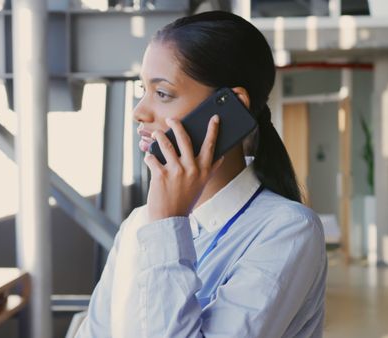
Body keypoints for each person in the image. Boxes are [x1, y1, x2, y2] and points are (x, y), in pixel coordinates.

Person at [76, 10, 327, 338]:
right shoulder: (139, 225)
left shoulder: (288, 231)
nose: (139, 111)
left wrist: (169, 224)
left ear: (229, 106)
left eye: (162, 93)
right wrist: (163, 220)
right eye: (143, 90)